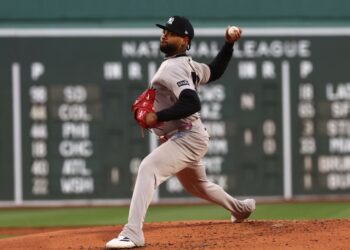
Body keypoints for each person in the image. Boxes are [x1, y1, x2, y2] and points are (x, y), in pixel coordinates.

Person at [106, 15, 256, 249]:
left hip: (188, 136)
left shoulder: (173, 68)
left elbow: (192, 103)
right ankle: (241, 209)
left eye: (171, 32)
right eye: (163, 31)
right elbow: (214, 71)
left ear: (185, 40)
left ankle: (133, 233)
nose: (164, 34)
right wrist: (228, 45)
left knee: (148, 168)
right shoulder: (189, 65)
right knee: (198, 185)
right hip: (188, 135)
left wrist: (158, 116)